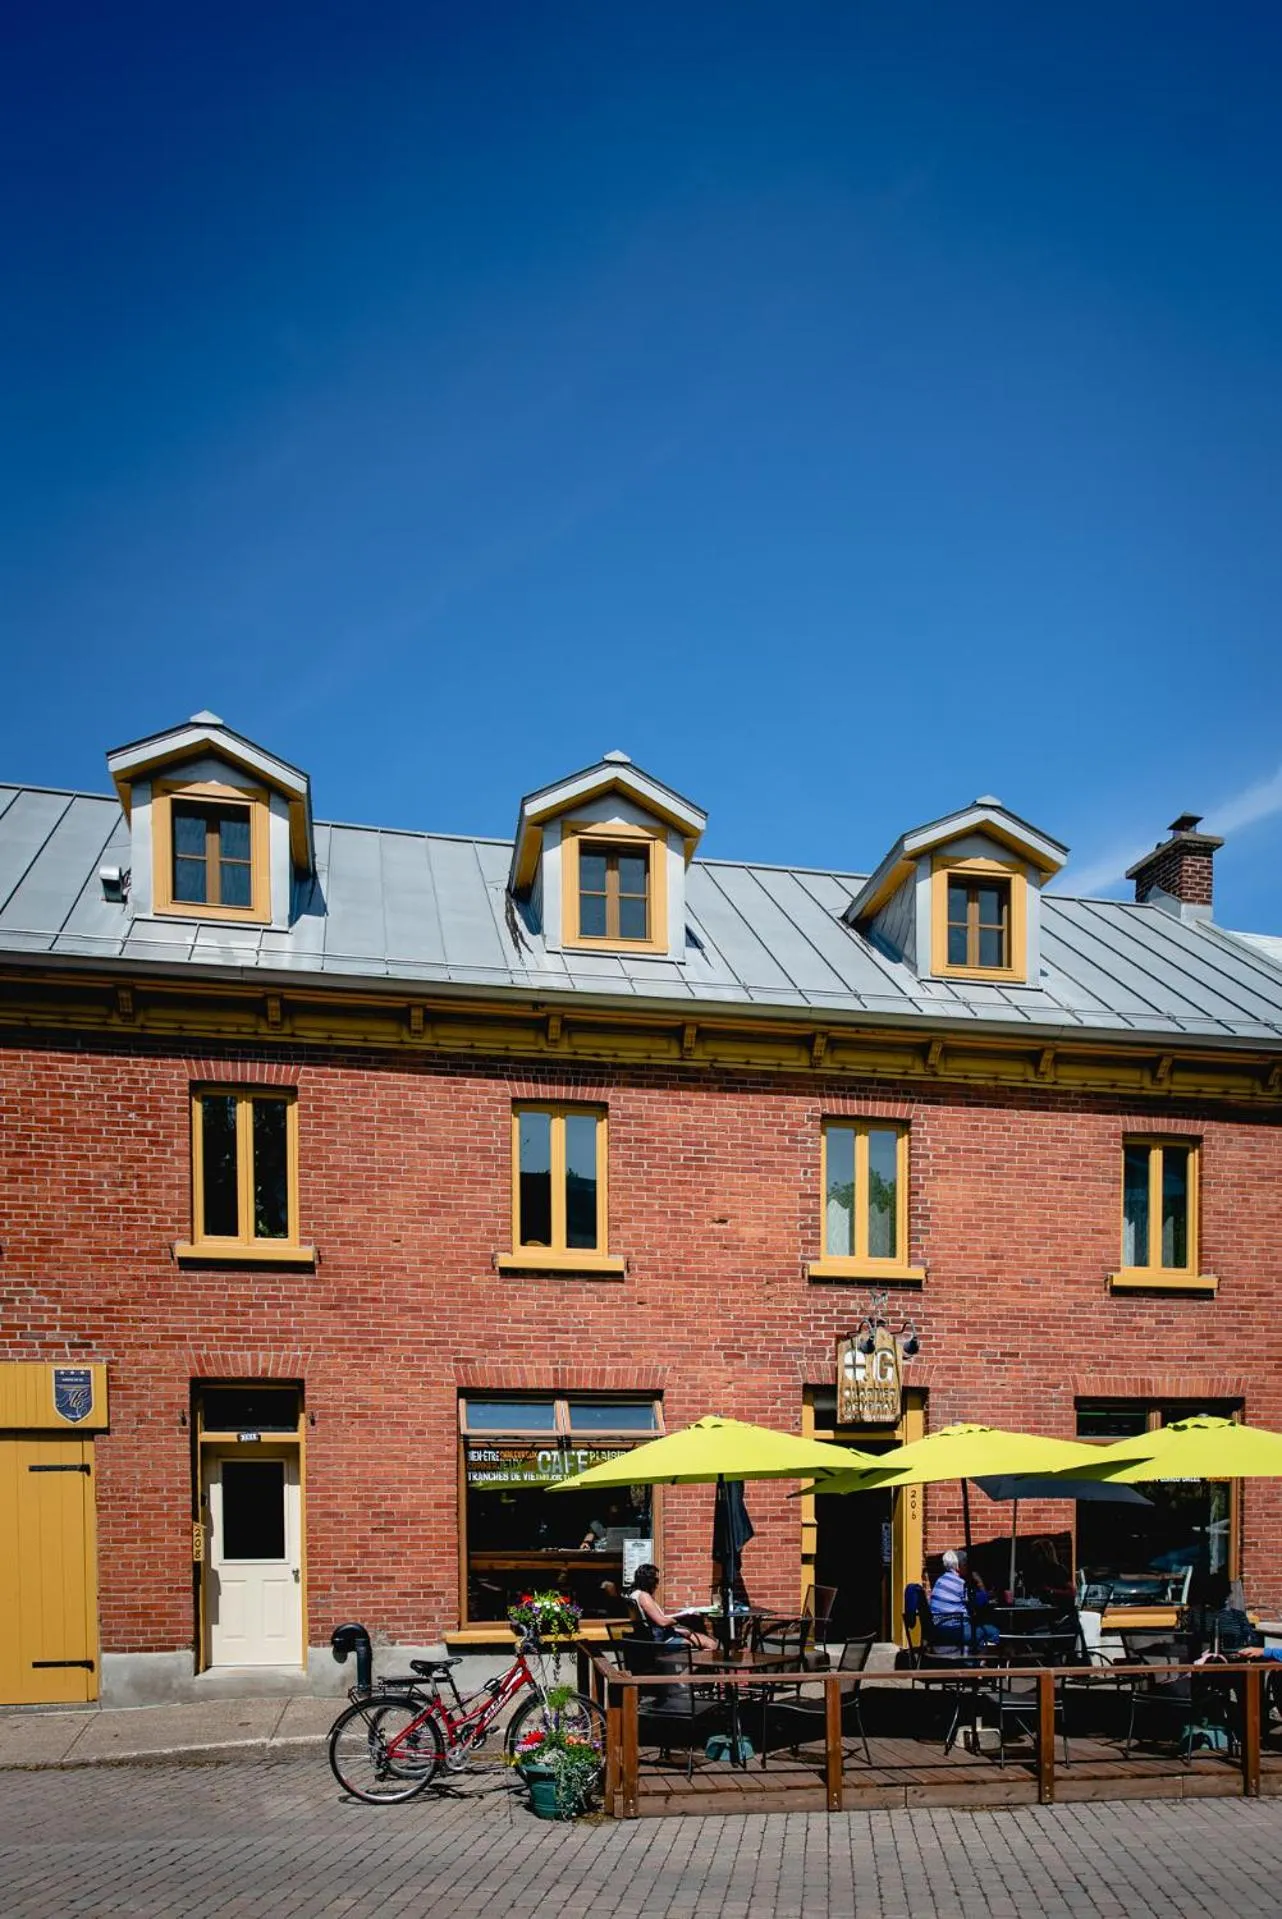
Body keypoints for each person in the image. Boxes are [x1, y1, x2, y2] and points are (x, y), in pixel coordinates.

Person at [627, 1563, 718, 1651]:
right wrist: (681, 1618)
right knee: (711, 1644)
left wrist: (676, 1629)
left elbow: (651, 1623)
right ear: (650, 1581)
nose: (657, 1585)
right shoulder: (644, 1596)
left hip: (655, 1637)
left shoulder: (634, 1594)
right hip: (661, 1641)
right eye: (656, 1580)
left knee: (692, 1634)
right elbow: (662, 1622)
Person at [930, 1549, 999, 1647]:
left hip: (939, 1629)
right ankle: (980, 1656)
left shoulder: (940, 1580)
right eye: (965, 1564)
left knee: (978, 1635)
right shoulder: (960, 1583)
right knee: (993, 1632)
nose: (967, 1567)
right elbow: (979, 1601)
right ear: (958, 1567)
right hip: (957, 1630)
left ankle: (973, 1655)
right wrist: (979, 1582)